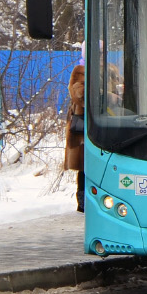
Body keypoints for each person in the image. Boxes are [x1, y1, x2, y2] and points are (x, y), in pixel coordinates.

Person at [65, 64, 85, 212]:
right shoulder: (79, 71)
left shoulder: (111, 70)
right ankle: (82, 201)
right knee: (84, 167)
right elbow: (77, 94)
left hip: (106, 125)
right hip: (82, 130)